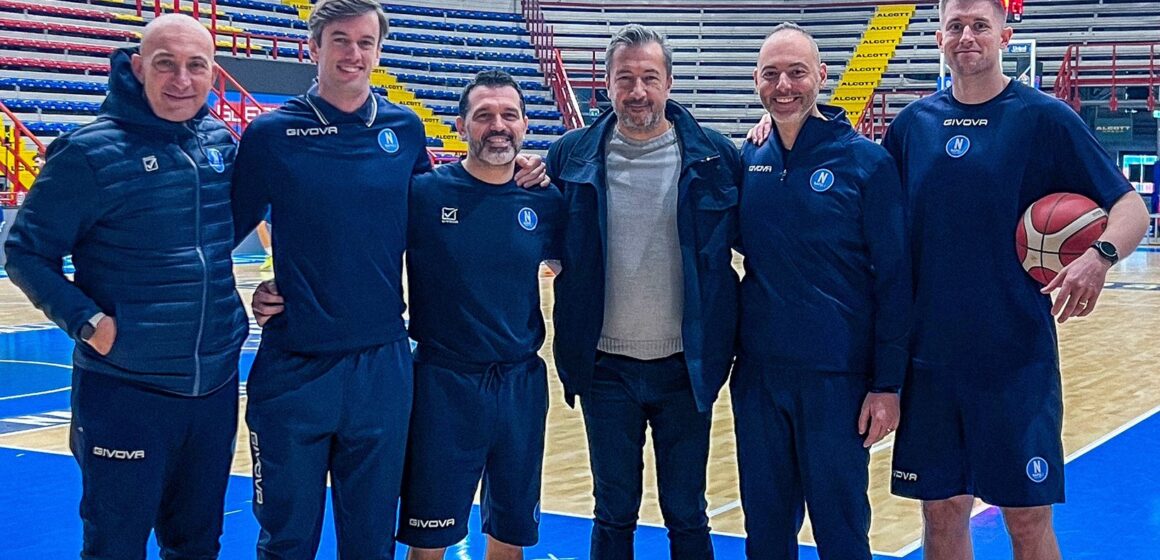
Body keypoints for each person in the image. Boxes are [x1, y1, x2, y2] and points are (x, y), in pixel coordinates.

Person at [232, 1, 546, 557]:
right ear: (314, 46)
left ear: (379, 50)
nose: (354, 54)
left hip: (382, 366)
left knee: (372, 540)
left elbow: (448, 203)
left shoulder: (402, 129)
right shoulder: (270, 135)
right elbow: (220, 234)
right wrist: (254, 296)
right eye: (340, 40)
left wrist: (511, 173)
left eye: (365, 42)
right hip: (294, 365)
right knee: (286, 538)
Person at [881, 1, 1149, 558]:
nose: (967, 36)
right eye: (956, 26)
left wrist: (1098, 257)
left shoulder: (1044, 117)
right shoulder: (912, 126)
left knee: (1027, 520)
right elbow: (861, 195)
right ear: (939, 37)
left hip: (1015, 362)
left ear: (1005, 34)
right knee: (942, 513)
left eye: (979, 25)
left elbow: (1130, 207)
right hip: (928, 363)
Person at [4, 14, 247, 559]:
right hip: (125, 390)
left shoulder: (217, 142)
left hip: (212, 387)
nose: (181, 79)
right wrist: (90, 323)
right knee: (116, 544)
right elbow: (24, 251)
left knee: (198, 543)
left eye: (195, 66)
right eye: (165, 64)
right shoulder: (88, 153)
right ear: (137, 68)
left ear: (213, 73)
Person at [546, 24, 742, 559]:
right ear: (605, 85)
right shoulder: (569, 157)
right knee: (612, 511)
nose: (637, 91)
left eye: (649, 78)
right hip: (605, 368)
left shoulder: (716, 157)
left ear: (669, 83)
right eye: (625, 78)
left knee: (687, 512)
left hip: (686, 368)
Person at [733, 23, 909, 560]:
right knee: (764, 534)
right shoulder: (749, 159)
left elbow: (897, 281)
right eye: (771, 74)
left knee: (841, 533)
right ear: (757, 82)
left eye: (796, 72)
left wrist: (887, 385)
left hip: (839, 382)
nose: (784, 85)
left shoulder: (866, 163)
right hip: (759, 378)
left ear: (822, 77)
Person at [396, 70, 563, 560]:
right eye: (484, 115)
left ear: (525, 125)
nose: (498, 125)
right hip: (443, 386)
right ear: (461, 124)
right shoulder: (425, 195)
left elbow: (573, 270)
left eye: (509, 114)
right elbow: (360, 249)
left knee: (510, 535)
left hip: (519, 386)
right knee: (430, 540)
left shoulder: (545, 199)